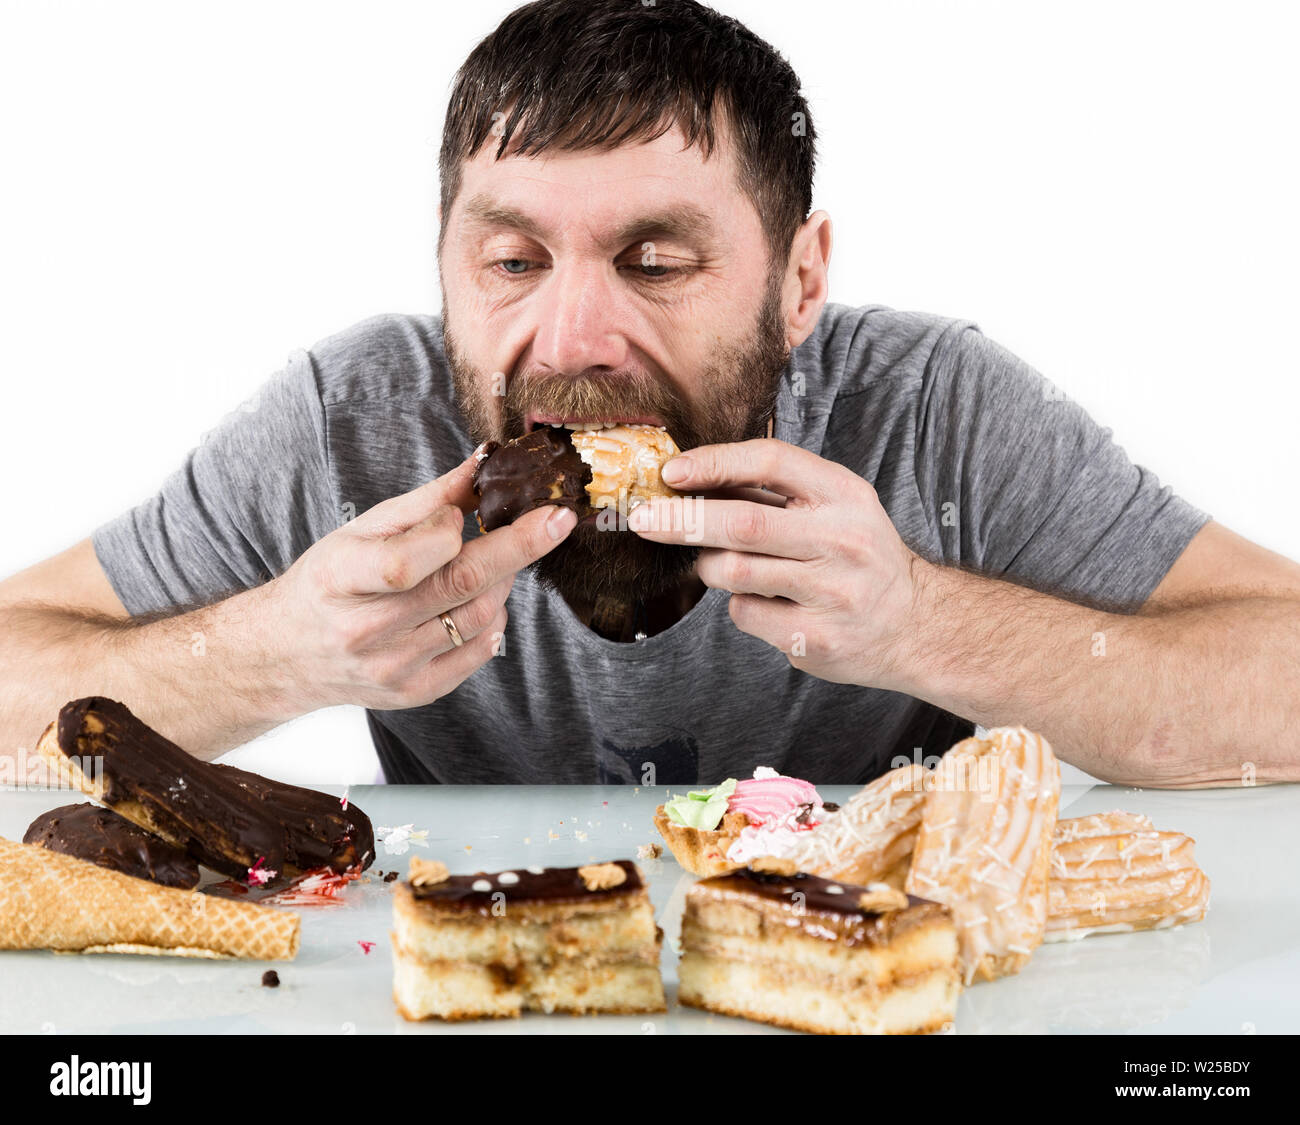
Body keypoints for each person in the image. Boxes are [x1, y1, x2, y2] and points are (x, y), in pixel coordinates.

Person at [2, 0, 1297, 786]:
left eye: (657, 260)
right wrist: (264, 656)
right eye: (511, 261)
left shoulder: (930, 414)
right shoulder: (354, 423)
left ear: (799, 282)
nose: (574, 334)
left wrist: (925, 624)